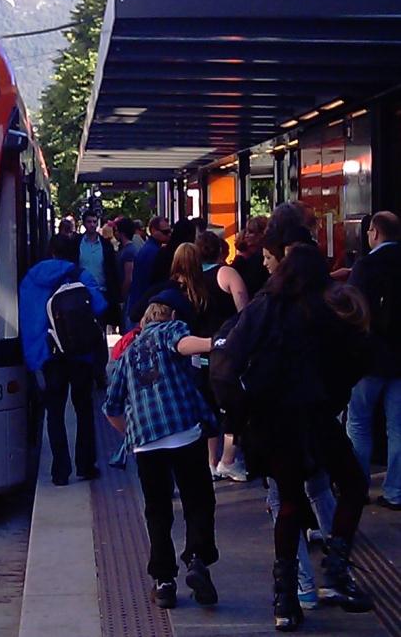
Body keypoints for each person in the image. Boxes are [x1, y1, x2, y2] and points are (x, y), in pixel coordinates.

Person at [211, 245, 373, 630]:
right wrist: (333, 396)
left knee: (289, 501)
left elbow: (227, 363)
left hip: (270, 418)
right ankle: (335, 563)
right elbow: (354, 359)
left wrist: (239, 415)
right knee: (351, 482)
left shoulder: (263, 307)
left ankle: (286, 596)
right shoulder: (324, 309)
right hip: (315, 414)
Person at [103, 297, 218, 610]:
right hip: (183, 432)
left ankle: (164, 581)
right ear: (172, 316)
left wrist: (132, 431)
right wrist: (214, 343)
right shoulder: (172, 329)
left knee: (157, 509)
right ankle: (196, 559)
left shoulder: (127, 354)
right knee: (198, 500)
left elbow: (111, 407)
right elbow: (183, 345)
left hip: (145, 443)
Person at [19, 234, 108, 486]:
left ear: (50, 251)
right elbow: (100, 307)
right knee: (83, 409)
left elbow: (28, 321)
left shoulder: (31, 279)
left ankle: (60, 470)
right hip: (80, 354)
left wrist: (35, 357)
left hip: (49, 355)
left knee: (54, 412)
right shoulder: (80, 275)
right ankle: (85, 465)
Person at [346, 210, 401, 511]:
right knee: (399, 427)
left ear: (375, 233)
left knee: (359, 424)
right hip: (399, 360)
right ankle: (396, 491)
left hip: (368, 360)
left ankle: (356, 488)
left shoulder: (366, 266)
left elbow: (351, 309)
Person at [194, 231, 249, 481]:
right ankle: (228, 459)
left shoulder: (191, 279)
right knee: (232, 405)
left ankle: (210, 461)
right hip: (226, 348)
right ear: (220, 250)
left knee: (207, 407)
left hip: (199, 348)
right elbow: (244, 310)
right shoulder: (225, 274)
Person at [75, 211, 120, 330]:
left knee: (100, 328)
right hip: (81, 291)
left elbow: (112, 270)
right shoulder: (76, 243)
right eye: (89, 222)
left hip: (101, 291)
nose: (92, 225)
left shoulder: (106, 245)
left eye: (94, 222)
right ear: (84, 224)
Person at [127, 216, 170, 327]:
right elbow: (147, 284)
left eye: (170, 231)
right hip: (143, 307)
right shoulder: (153, 252)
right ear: (153, 231)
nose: (169, 235)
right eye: (165, 232)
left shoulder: (150, 249)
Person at [232, 215, 270, 298]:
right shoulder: (242, 259)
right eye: (246, 231)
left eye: (251, 232)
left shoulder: (264, 258)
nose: (246, 235)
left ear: (261, 234)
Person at [114, 217, 140, 333]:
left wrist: (123, 297)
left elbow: (128, 277)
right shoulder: (126, 249)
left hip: (129, 298)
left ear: (121, 233)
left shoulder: (129, 251)